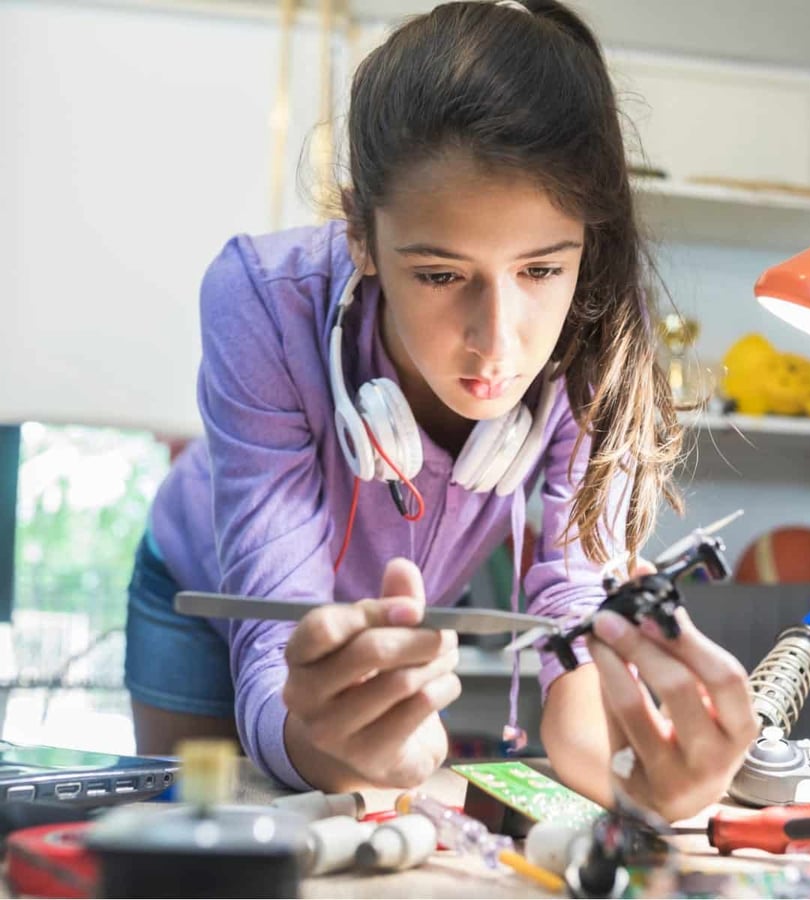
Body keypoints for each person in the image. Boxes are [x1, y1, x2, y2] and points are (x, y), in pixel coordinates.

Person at [124, 0, 757, 822]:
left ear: (584, 250)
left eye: (539, 271)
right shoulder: (261, 301)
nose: (497, 345)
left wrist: (640, 779)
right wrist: (333, 744)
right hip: (211, 597)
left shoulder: (592, 349)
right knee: (184, 847)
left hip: (349, 652)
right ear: (360, 233)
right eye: (438, 275)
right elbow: (269, 642)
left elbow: (574, 614)